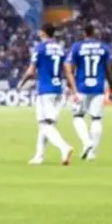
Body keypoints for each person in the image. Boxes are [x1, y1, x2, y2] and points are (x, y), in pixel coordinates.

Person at [19, 24, 76, 166]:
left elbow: (31, 71)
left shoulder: (40, 48)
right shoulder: (60, 49)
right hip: (58, 90)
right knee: (46, 124)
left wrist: (21, 83)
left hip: (45, 90)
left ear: (43, 33)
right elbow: (67, 71)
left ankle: (64, 147)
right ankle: (39, 156)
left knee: (44, 125)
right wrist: (72, 88)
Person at [65, 24, 112, 161]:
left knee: (77, 117)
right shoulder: (104, 48)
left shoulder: (77, 47)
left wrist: (70, 86)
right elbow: (109, 71)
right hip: (98, 88)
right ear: (94, 33)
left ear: (84, 33)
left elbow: (70, 68)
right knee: (96, 119)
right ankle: (92, 153)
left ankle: (87, 143)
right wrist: (111, 89)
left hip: (81, 87)